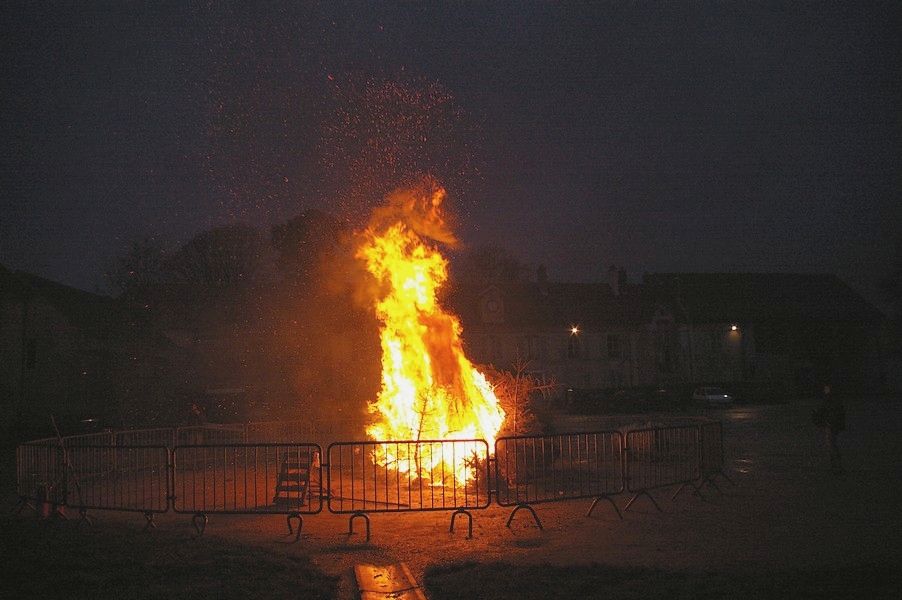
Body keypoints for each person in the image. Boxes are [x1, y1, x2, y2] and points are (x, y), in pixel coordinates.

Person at [817, 384, 846, 474]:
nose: (825, 390)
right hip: (832, 423)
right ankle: (834, 465)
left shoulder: (831, 399)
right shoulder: (833, 399)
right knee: (831, 444)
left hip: (832, 424)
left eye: (826, 388)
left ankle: (837, 465)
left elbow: (830, 411)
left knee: (831, 444)